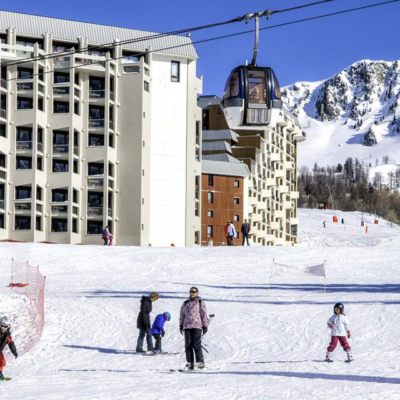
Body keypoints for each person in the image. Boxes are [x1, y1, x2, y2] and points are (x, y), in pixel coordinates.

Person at [179, 287, 208, 370]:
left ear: (197, 293)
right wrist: (181, 325)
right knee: (188, 345)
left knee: (196, 344)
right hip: (187, 326)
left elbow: (203, 314)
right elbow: (182, 315)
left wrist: (205, 325)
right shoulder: (185, 303)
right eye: (190, 291)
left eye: (193, 292)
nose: (192, 293)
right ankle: (190, 362)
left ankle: (200, 362)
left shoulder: (200, 302)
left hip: (197, 326)